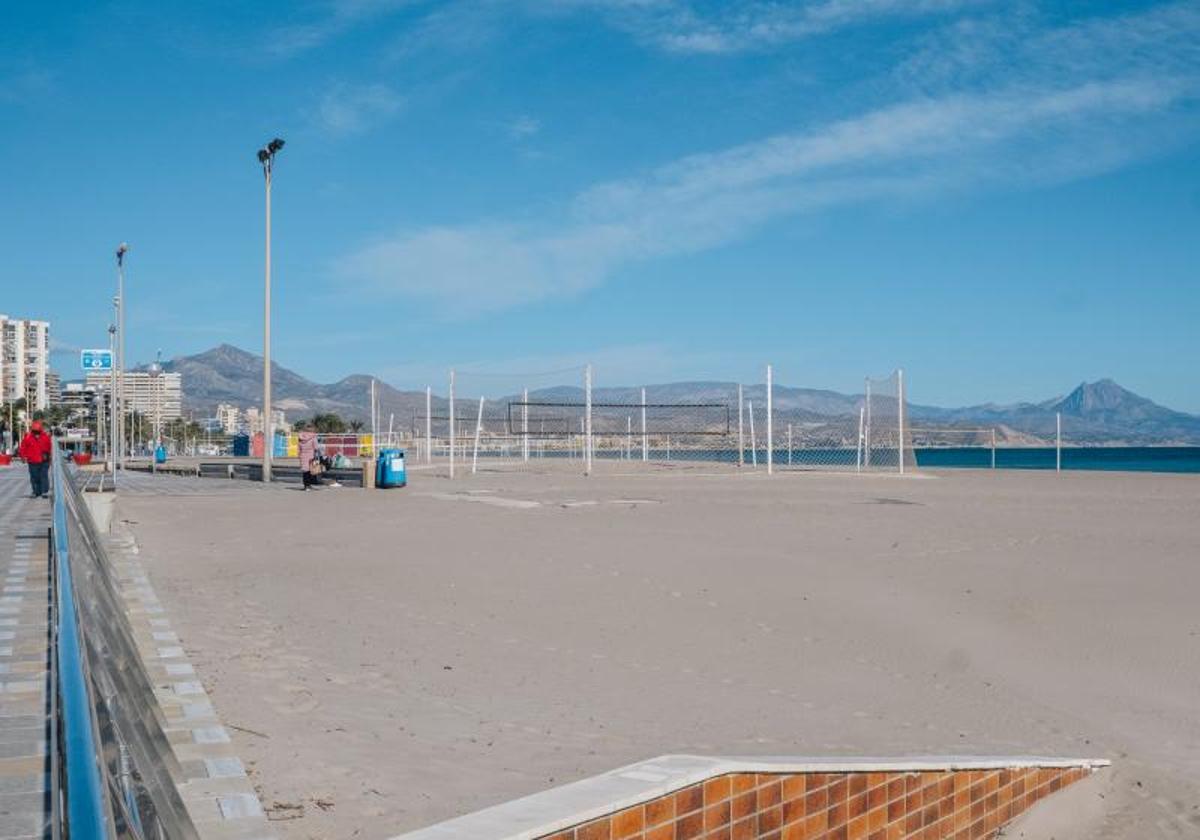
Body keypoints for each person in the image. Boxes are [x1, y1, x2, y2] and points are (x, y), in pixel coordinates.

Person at [18, 420, 52, 499]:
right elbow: (23, 448)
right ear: (32, 430)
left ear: (40, 430)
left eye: (38, 431)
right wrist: (23, 457)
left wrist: (50, 458)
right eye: (35, 431)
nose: (36, 433)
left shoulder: (45, 437)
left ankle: (44, 491)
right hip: (32, 461)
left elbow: (50, 448)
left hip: (44, 460)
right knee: (34, 477)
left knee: (44, 476)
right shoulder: (28, 437)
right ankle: (36, 491)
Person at [297, 423, 320, 491]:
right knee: (311, 471)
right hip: (311, 455)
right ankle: (309, 485)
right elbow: (316, 447)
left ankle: (306, 486)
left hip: (303, 455)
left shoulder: (300, 437)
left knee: (305, 471)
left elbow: (299, 447)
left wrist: (299, 454)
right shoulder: (313, 437)